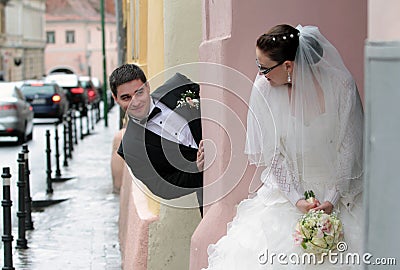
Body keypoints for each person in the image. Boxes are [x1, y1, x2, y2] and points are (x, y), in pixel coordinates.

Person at [203, 24, 364, 269]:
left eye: (264, 67)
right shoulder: (263, 91)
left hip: (339, 194)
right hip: (289, 194)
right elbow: (274, 155)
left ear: (288, 66)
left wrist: (331, 199)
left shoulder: (342, 86)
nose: (260, 74)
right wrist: (298, 200)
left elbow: (348, 146)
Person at [109, 64, 204, 215]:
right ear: (115, 99)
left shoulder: (178, 85)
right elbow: (162, 186)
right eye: (126, 97)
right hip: (208, 196)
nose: (135, 102)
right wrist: (197, 170)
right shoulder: (130, 148)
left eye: (139, 92)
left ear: (147, 87)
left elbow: (215, 104)